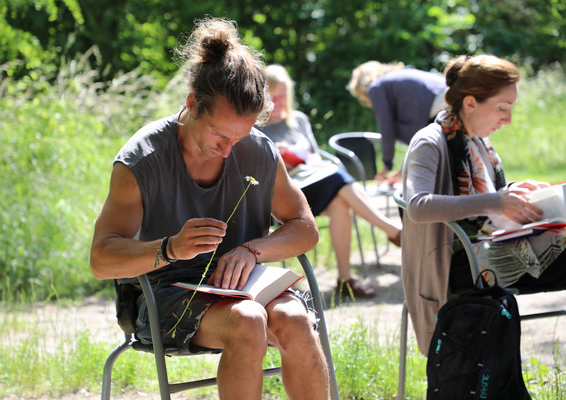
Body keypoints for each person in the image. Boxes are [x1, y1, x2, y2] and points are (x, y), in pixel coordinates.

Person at [89, 17, 330, 399]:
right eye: (220, 135)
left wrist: (252, 251)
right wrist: (169, 249)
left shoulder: (259, 151)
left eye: (241, 137)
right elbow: (101, 259)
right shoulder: (143, 159)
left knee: (295, 319)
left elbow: (304, 227)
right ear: (191, 105)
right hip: (163, 297)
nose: (229, 149)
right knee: (248, 321)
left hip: (242, 288)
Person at [401, 54, 566, 355]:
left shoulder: (477, 141)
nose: (508, 119)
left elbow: (484, 201)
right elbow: (418, 206)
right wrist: (498, 201)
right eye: (502, 108)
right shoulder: (429, 141)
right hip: (457, 263)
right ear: (470, 103)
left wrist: (512, 192)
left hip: (485, 250)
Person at [258, 64, 402, 299]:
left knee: (340, 205)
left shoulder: (298, 120)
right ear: (263, 97)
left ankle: (345, 280)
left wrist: (301, 155)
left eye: (284, 97)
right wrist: (277, 156)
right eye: (274, 98)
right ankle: (392, 230)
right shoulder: (255, 126)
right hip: (287, 195)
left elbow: (314, 153)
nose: (280, 103)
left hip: (315, 181)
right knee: (337, 176)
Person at [347, 60, 447, 185]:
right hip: (448, 94)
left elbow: (387, 128)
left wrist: (386, 166)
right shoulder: (396, 77)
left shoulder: (375, 87)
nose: (368, 103)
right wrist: (403, 169)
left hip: (441, 102)